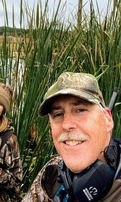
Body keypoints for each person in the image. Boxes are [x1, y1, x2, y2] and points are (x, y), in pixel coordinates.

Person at [22, 72, 121, 202]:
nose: (67, 124)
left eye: (80, 110)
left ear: (107, 119)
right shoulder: (52, 172)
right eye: (58, 114)